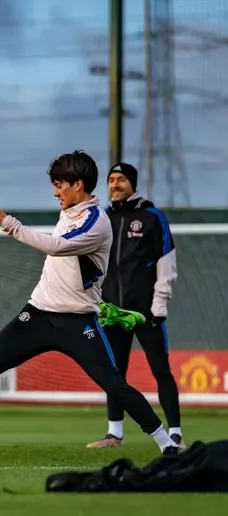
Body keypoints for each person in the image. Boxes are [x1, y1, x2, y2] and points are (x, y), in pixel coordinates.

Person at [0, 151, 182, 456]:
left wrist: (9, 223)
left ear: (79, 185)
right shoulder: (71, 210)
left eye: (60, 185)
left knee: (114, 384)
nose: (55, 191)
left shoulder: (97, 222)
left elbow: (56, 246)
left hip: (77, 322)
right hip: (38, 314)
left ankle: (167, 444)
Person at [87, 163, 182, 449]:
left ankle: (175, 433)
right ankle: (114, 434)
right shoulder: (102, 218)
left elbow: (167, 262)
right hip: (112, 311)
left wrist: (159, 305)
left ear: (133, 183)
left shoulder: (152, 217)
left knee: (160, 370)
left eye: (121, 180)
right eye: (111, 180)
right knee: (114, 372)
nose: (115, 185)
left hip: (145, 311)